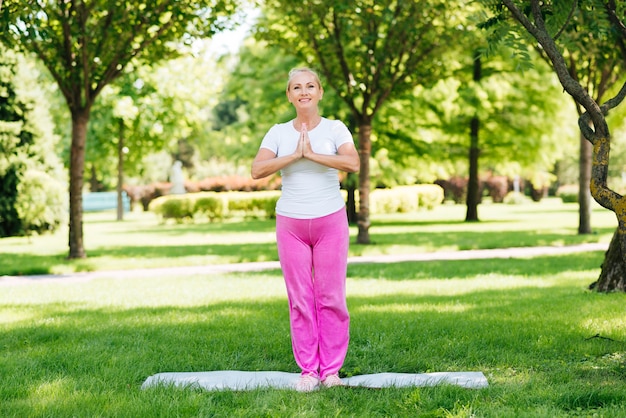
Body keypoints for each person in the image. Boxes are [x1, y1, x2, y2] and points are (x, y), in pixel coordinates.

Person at [251, 67, 360, 392]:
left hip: (330, 220)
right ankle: (309, 371)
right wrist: (294, 155)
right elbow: (257, 169)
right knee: (300, 298)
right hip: (291, 223)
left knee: (331, 297)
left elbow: (353, 163)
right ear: (289, 95)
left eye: (310, 86)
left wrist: (312, 153)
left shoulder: (335, 129)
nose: (304, 92)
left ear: (320, 92)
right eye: (297, 87)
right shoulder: (278, 132)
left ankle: (331, 371)